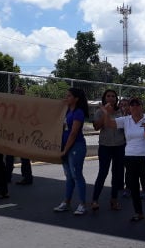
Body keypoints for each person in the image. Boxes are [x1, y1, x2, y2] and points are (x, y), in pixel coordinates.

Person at [101, 96, 145, 224]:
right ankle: (138, 213)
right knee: (133, 187)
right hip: (129, 156)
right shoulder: (126, 120)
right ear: (129, 107)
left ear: (141, 106)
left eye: (137, 104)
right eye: (132, 105)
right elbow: (109, 124)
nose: (134, 107)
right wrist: (106, 113)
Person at [53, 87, 89, 215]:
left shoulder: (78, 112)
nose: (66, 98)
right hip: (66, 146)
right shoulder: (67, 111)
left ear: (76, 99)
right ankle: (66, 202)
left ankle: (82, 204)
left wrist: (65, 150)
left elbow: (73, 133)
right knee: (69, 176)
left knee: (76, 175)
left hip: (76, 147)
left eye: (69, 96)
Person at [91, 89, 126, 211]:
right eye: (108, 96)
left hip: (119, 146)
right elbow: (96, 127)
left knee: (116, 174)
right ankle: (95, 199)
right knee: (103, 172)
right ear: (104, 98)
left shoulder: (121, 111)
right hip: (105, 146)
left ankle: (114, 200)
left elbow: (125, 127)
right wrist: (105, 113)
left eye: (113, 96)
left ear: (116, 99)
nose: (110, 98)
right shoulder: (99, 111)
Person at [5, 86, 33, 185]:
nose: (18, 93)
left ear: (23, 93)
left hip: (22, 135)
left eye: (20, 91)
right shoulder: (11, 104)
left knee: (24, 157)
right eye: (16, 91)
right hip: (12, 134)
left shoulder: (27, 105)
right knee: (9, 156)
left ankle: (27, 177)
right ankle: (7, 176)